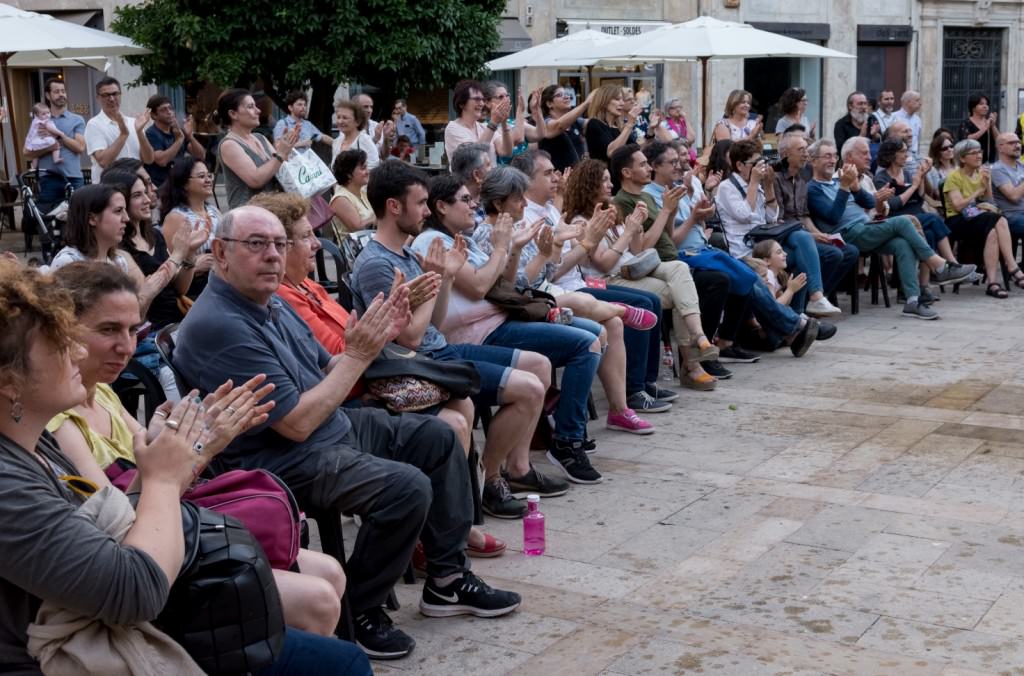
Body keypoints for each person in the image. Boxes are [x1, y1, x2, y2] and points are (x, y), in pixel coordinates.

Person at [174, 203, 521, 659]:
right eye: (258, 245)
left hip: (328, 428)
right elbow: (295, 425)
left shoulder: (272, 300)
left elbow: (328, 369)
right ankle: (357, 607)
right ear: (219, 253)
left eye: (280, 244)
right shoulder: (219, 323)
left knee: (436, 437)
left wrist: (373, 341)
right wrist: (359, 355)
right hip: (277, 458)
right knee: (405, 488)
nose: (274, 256)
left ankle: (447, 580)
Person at [0, 259, 373, 676]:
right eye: (59, 342)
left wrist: (176, 457)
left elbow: (118, 519)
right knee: (342, 661)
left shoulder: (36, 444)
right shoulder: (10, 481)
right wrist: (167, 473)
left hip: (114, 614)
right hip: (87, 643)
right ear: (8, 381)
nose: (80, 351)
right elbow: (135, 590)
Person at [250, 192, 513, 558]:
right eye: (305, 238)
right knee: (450, 423)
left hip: (370, 380)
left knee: (461, 401)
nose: (316, 245)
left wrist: (400, 312)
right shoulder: (283, 297)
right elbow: (352, 352)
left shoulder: (306, 287)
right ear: (394, 205)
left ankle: (452, 528)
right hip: (355, 396)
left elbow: (360, 345)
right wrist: (404, 309)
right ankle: (432, 539)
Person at [347, 165, 574, 510]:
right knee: (529, 389)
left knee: (537, 368)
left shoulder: (407, 254)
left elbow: (433, 323)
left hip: (441, 352)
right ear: (394, 207)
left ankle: (501, 473)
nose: (426, 211)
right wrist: (439, 278)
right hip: (418, 365)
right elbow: (408, 338)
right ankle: (490, 480)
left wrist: (445, 279)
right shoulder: (377, 264)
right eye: (421, 203)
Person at [381, 162, 603, 484]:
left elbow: (505, 286)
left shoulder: (462, 239)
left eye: (473, 201)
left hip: (495, 320)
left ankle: (519, 466)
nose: (474, 205)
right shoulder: (433, 242)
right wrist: (504, 245)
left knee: (568, 349)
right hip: (475, 333)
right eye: (465, 200)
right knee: (586, 342)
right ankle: (559, 444)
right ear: (442, 206)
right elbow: (480, 286)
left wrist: (515, 248)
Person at [469, 166, 659, 434]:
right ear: (499, 203)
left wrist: (554, 247)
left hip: (540, 295)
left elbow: (544, 272)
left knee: (613, 325)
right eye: (518, 199)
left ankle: (619, 410)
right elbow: (511, 288)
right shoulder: (486, 236)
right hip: (523, 306)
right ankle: (570, 429)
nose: (524, 203)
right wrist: (566, 246)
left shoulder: (522, 224)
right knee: (590, 337)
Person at [514, 149, 675, 413]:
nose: (555, 178)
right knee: (644, 304)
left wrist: (631, 227)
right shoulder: (532, 218)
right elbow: (556, 271)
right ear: (526, 180)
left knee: (653, 298)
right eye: (547, 173)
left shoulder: (553, 212)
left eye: (555, 172)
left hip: (580, 283)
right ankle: (634, 390)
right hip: (567, 288)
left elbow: (625, 252)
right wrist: (590, 240)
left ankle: (643, 384)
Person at [806, 138, 977, 319]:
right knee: (904, 221)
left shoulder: (841, 180)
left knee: (902, 244)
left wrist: (855, 188)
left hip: (866, 227)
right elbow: (833, 217)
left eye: (833, 156)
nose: (833, 160)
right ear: (814, 161)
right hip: (847, 234)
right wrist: (844, 187)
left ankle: (912, 301)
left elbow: (870, 202)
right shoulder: (813, 188)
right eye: (827, 156)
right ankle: (940, 266)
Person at [715, 139, 842, 317]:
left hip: (763, 245)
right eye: (755, 163)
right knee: (801, 247)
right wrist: (753, 183)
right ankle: (800, 312)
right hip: (744, 251)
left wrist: (767, 187)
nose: (760, 167)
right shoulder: (726, 187)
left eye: (762, 162)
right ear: (740, 165)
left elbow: (771, 218)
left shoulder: (758, 184)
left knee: (801, 248)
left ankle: (808, 304)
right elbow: (744, 214)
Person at [773, 132, 860, 305]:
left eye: (806, 149)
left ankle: (817, 298)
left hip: (803, 234)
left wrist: (819, 234)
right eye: (801, 150)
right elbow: (778, 220)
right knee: (832, 254)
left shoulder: (800, 181)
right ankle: (812, 299)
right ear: (785, 155)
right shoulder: (776, 180)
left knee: (850, 251)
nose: (806, 154)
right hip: (786, 238)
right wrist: (812, 236)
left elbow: (804, 216)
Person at [942, 139, 1023, 296]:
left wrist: (986, 184)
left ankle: (992, 283)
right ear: (963, 158)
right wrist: (978, 191)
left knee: (993, 231)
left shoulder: (981, 173)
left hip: (978, 217)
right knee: (999, 219)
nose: (979, 156)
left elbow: (989, 201)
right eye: (974, 153)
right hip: (957, 220)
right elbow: (958, 206)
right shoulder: (953, 177)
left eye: (980, 152)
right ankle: (1013, 267)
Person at [873, 139, 960, 271]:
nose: (906, 155)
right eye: (902, 151)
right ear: (891, 154)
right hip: (898, 219)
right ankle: (951, 263)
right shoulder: (882, 178)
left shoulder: (907, 174)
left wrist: (922, 176)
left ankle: (925, 285)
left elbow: (919, 199)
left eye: (906, 151)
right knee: (934, 218)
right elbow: (893, 205)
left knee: (930, 234)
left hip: (916, 216)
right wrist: (913, 186)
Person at [216, 88, 298, 209]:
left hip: (274, 212)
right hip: (249, 218)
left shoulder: (260, 138)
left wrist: (287, 148)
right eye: (250, 107)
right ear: (233, 114)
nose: (258, 111)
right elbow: (256, 180)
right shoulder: (229, 144)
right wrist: (280, 154)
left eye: (256, 106)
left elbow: (280, 169)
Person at [21, 78, 86, 221]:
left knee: (79, 220)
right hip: (49, 179)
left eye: (63, 91)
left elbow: (80, 147)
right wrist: (50, 147)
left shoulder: (77, 119)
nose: (61, 94)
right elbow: (26, 152)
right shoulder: (38, 122)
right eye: (56, 92)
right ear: (48, 96)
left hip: (74, 178)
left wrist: (58, 136)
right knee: (48, 223)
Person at [84, 77, 155, 181]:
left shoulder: (133, 123)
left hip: (135, 187)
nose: (112, 99)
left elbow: (149, 159)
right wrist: (123, 134)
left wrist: (139, 132)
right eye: (106, 95)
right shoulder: (94, 124)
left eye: (115, 94)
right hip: (109, 189)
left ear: (120, 95)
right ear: (97, 98)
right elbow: (104, 161)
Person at [143, 95, 206, 189]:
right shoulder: (151, 133)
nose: (169, 112)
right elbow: (162, 160)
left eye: (170, 108)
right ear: (154, 115)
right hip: (161, 186)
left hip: (179, 183)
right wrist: (179, 139)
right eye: (163, 110)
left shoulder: (177, 131)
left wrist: (190, 136)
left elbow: (200, 156)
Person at [444, 80, 512, 166]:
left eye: (482, 99)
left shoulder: (484, 127)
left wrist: (504, 122)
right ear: (462, 104)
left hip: (492, 178)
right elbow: (473, 157)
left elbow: (506, 151)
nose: (482, 103)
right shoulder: (453, 128)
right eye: (477, 99)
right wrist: (494, 122)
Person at [538, 84, 591, 171]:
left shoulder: (577, 122)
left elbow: (595, 123)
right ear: (549, 103)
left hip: (577, 178)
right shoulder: (545, 123)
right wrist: (586, 103)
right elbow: (559, 125)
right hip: (557, 178)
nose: (567, 97)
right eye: (560, 95)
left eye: (566, 94)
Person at [584, 84, 641, 162]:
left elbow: (637, 149)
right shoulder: (594, 124)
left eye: (622, 100)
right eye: (617, 99)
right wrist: (629, 124)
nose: (622, 103)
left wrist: (651, 131)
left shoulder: (618, 127)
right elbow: (611, 152)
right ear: (604, 102)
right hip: (604, 173)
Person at [328, 149, 375, 237]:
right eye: (363, 168)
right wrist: (379, 217)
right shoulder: (340, 199)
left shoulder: (363, 192)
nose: (368, 172)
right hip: (356, 249)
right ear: (349, 174)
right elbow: (358, 229)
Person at [748, 239, 806, 306]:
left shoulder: (777, 276)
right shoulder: (768, 274)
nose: (785, 254)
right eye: (779, 252)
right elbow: (773, 307)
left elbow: (784, 305)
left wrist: (791, 289)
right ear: (767, 261)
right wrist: (790, 290)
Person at [990, 132, 1024, 237]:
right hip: (1011, 216)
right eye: (1012, 143)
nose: (1017, 146)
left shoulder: (1021, 166)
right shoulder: (997, 169)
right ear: (1000, 148)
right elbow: (1013, 196)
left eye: (1018, 142)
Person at [330, 100, 380, 169]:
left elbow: (374, 166)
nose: (340, 121)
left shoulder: (364, 139)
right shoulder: (336, 142)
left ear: (357, 121)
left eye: (345, 118)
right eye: (338, 117)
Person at [957, 93, 999, 164]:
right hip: (972, 163)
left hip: (990, 162)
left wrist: (993, 126)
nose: (985, 106)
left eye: (986, 104)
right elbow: (967, 140)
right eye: (981, 104)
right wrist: (985, 128)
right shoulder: (966, 123)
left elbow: (999, 141)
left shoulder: (989, 122)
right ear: (973, 107)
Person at [23, 103, 63, 169]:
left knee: (36, 155)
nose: (47, 115)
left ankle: (33, 166)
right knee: (56, 145)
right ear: (37, 115)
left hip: (33, 142)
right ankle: (56, 158)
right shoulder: (45, 121)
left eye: (48, 113)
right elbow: (51, 129)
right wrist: (61, 133)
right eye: (43, 114)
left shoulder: (35, 121)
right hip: (41, 140)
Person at [891, 91, 924, 167]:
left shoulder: (918, 119)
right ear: (908, 102)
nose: (920, 103)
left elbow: (917, 141)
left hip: (915, 158)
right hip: (900, 158)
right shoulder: (894, 118)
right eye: (917, 100)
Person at [925, 131, 957, 198]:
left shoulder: (958, 166)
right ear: (937, 152)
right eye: (944, 148)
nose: (950, 150)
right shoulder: (932, 170)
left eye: (951, 146)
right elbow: (937, 193)